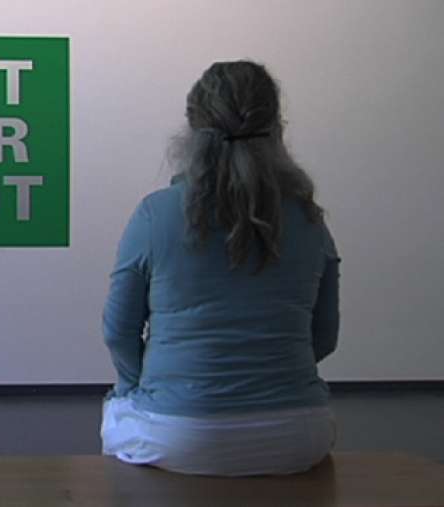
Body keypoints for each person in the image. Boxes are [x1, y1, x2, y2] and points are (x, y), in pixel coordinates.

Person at [100, 60, 341, 476]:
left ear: (192, 129)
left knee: (117, 408)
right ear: (277, 127)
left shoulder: (156, 214)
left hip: (178, 435)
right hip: (298, 435)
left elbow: (118, 331)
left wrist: (139, 387)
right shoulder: (309, 219)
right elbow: (324, 336)